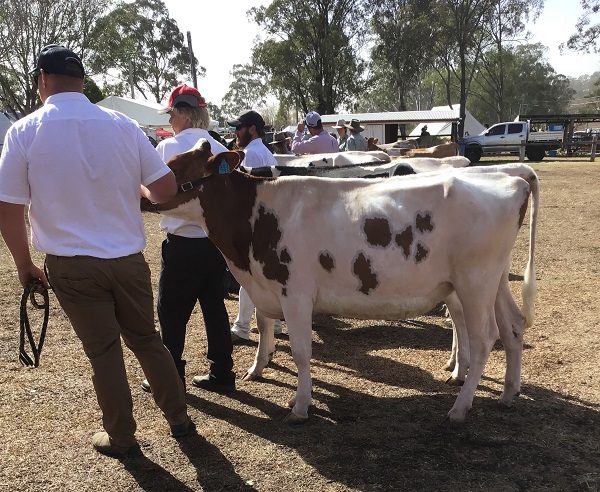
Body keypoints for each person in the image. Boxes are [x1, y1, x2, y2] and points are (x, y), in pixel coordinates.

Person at [0, 44, 191, 458]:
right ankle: (179, 417)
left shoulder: (25, 131)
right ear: (82, 81)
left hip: (71, 263)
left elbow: (9, 208)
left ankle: (122, 436)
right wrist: (133, 186)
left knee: (104, 351)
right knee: (146, 339)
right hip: (127, 258)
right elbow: (163, 191)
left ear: (42, 81)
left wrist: (24, 265)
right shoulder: (122, 124)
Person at [138, 84, 235, 395]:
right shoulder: (219, 149)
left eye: (172, 115)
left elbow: (150, 189)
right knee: (214, 307)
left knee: (171, 310)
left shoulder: (167, 149)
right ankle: (222, 372)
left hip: (181, 243)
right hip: (214, 243)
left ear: (181, 114)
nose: (170, 122)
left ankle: (170, 376)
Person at [226, 110, 283, 343]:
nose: (235, 133)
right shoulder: (267, 154)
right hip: (271, 222)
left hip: (255, 224)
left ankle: (241, 327)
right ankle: (277, 322)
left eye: (238, 128)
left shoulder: (248, 155)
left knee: (250, 277)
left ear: (251, 129)